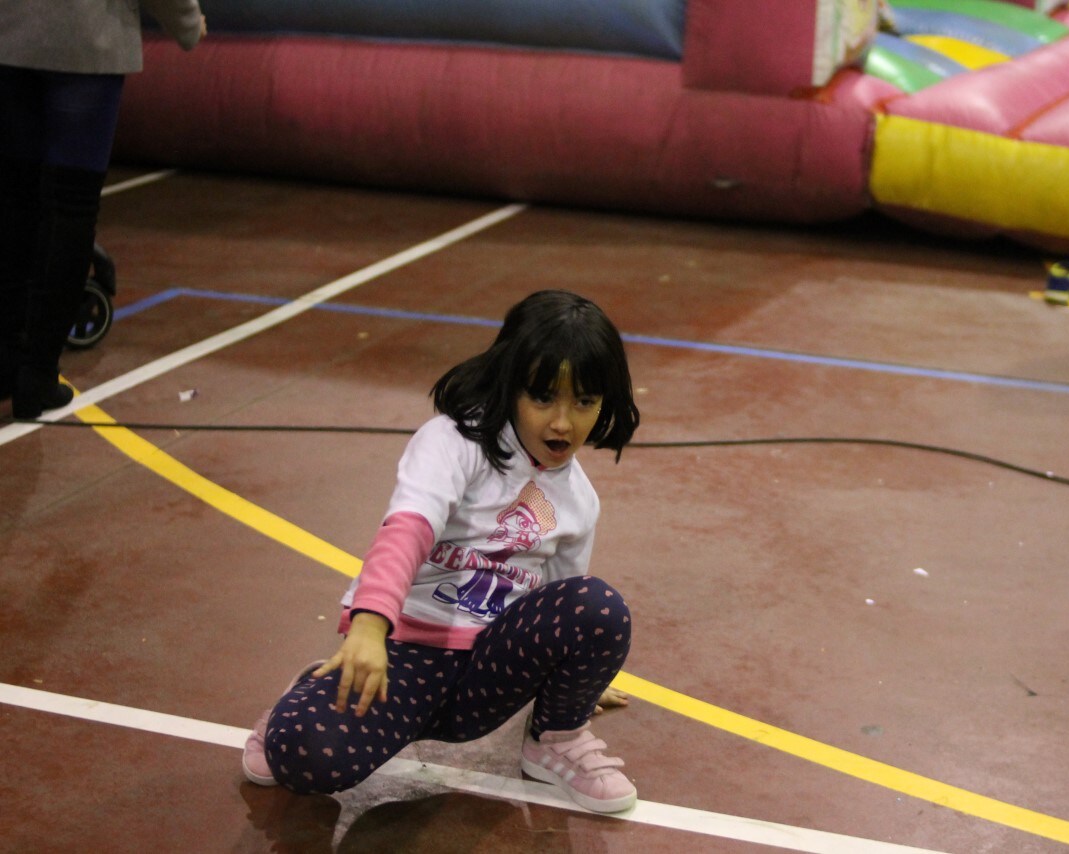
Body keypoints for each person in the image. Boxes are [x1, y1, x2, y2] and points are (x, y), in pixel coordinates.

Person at [242, 290, 644, 814]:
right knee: (303, 757)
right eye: (543, 398)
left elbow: (560, 599)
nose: (563, 422)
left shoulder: (579, 500)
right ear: (509, 383)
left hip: (485, 675)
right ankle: (302, 699)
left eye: (584, 402)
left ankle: (554, 746)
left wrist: (580, 688)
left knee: (599, 607)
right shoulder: (454, 443)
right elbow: (406, 531)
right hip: (403, 657)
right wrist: (369, 627)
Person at [0, 0, 205, 418]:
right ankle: (36, 378)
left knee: (15, 201)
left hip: (10, 33)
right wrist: (187, 23)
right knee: (71, 206)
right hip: (87, 38)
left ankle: (4, 363)